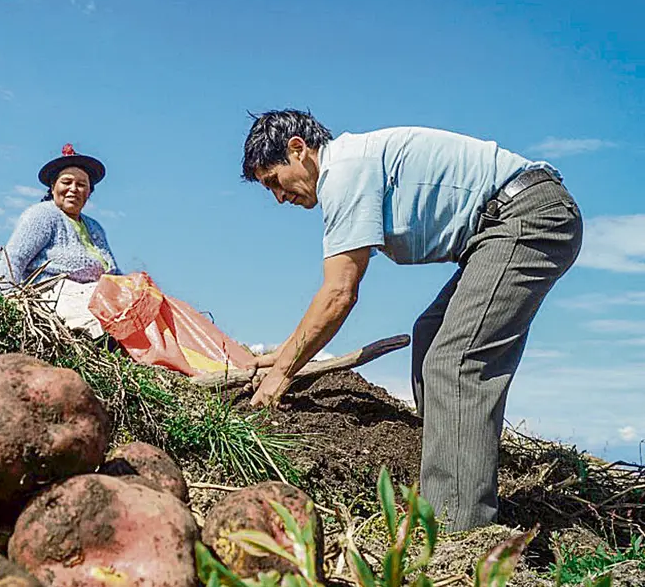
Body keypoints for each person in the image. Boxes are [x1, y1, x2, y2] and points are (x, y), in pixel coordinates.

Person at [240, 109, 583, 532]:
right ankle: (450, 477)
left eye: (274, 180)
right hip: (502, 226)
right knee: (432, 333)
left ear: (298, 149)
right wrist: (284, 355)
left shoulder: (344, 171)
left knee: (455, 362)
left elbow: (338, 293)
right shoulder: (351, 164)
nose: (278, 197)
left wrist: (281, 373)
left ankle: (460, 529)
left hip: (527, 217)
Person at [2, 143, 121, 338]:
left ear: (89, 192)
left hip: (99, 295)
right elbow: (13, 258)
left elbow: (114, 272)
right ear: (53, 187)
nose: (73, 189)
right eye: (66, 182)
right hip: (58, 293)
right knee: (102, 327)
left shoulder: (95, 227)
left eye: (81, 184)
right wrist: (8, 300)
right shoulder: (42, 215)